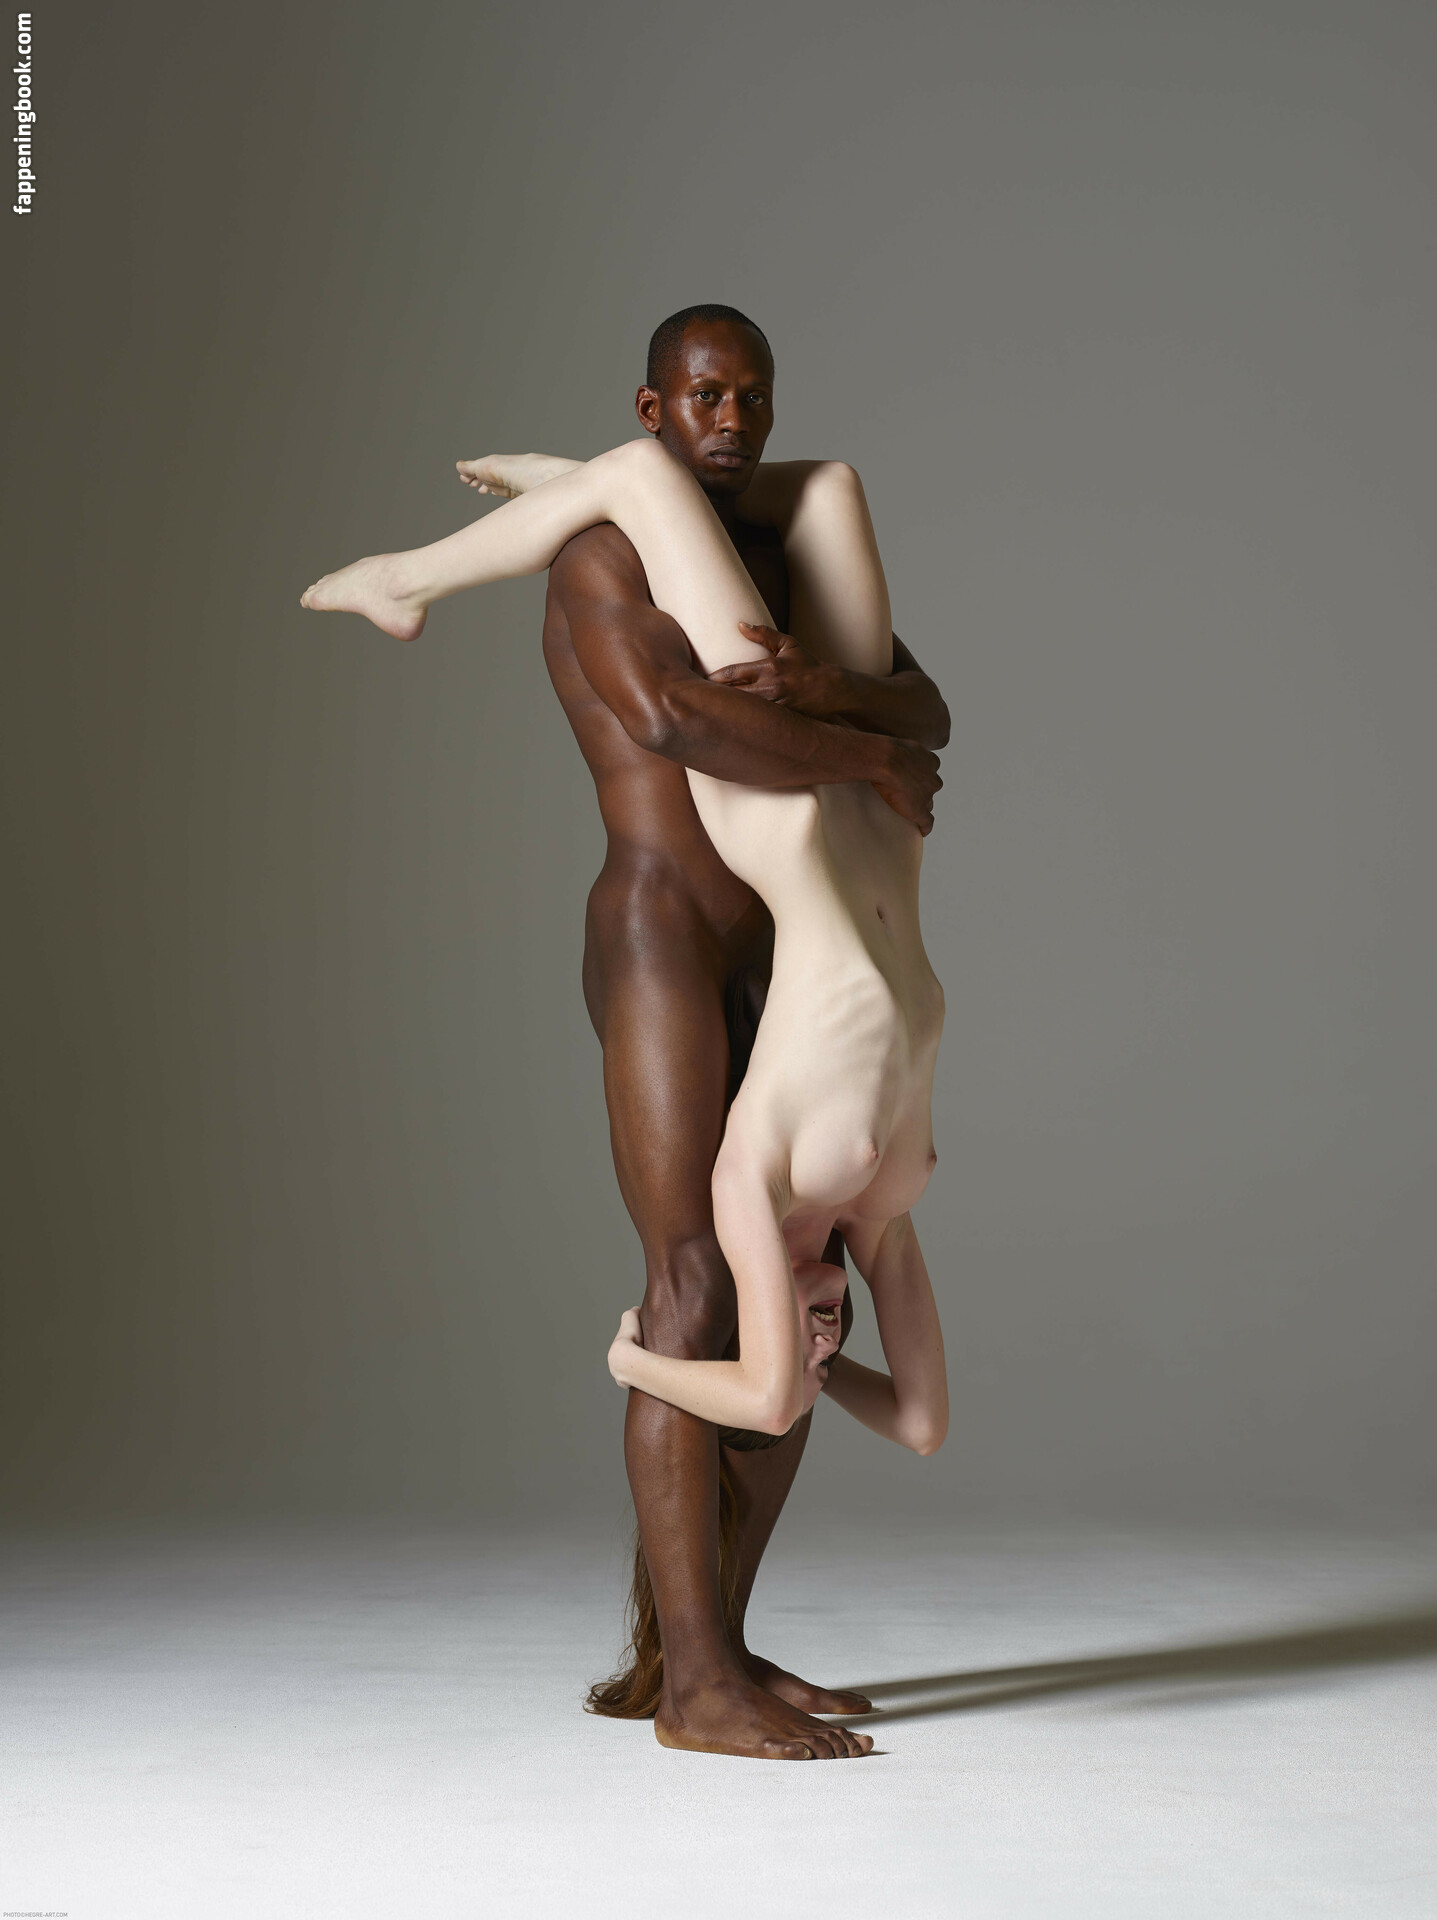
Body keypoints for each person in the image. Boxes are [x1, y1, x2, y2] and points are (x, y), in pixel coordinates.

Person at [302, 305, 950, 1760]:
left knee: (805, 1293)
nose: (733, 422)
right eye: (703, 399)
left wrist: (854, 707)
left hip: (784, 935)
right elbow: (672, 720)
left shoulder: (773, 556)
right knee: (692, 1286)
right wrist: (866, 749)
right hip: (664, 932)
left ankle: (713, 1645)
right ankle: (695, 1689)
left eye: (753, 399)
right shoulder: (601, 557)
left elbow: (926, 704)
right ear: (651, 412)